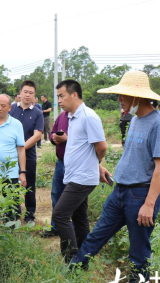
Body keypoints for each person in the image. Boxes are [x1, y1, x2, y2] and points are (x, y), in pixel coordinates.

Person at [71, 71, 160, 283]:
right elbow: (133, 156)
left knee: (138, 250)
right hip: (120, 191)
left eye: (123, 96)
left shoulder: (159, 124)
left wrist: (149, 204)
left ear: (137, 97)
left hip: (141, 196)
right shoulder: (135, 120)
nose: (120, 100)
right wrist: (107, 170)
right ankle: (73, 271)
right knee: (97, 235)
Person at [51, 79, 107, 263]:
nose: (59, 100)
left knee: (59, 215)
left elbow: (102, 147)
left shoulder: (88, 116)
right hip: (73, 175)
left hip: (82, 178)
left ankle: (71, 260)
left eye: (62, 96)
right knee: (79, 217)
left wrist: (95, 164)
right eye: (58, 96)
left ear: (74, 94)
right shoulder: (71, 116)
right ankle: (84, 257)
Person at [9, 80, 43, 222]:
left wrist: (21, 148)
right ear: (20, 93)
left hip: (28, 154)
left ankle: (30, 214)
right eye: (25, 92)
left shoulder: (37, 112)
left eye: (31, 93)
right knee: (11, 183)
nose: (27, 95)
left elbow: (37, 135)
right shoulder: (10, 109)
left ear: (35, 95)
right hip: (10, 153)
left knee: (29, 184)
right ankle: (14, 212)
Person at [40, 110, 69, 238]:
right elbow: (52, 132)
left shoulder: (85, 117)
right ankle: (55, 226)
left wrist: (68, 139)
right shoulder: (62, 116)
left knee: (73, 199)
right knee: (56, 194)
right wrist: (54, 138)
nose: (60, 100)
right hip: (60, 163)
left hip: (76, 166)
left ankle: (71, 229)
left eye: (63, 96)